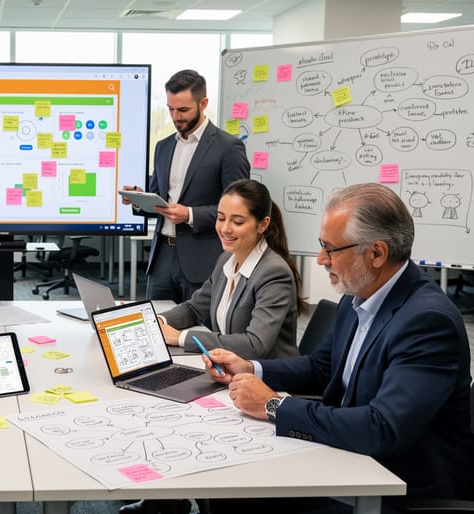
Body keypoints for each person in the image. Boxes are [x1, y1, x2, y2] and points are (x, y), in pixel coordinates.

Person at [203, 183, 474, 513]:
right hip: (347, 460)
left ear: (377, 253)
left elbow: (384, 428)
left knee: (241, 499)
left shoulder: (428, 321)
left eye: (330, 250)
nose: (320, 260)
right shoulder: (357, 296)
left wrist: (274, 405)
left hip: (396, 487)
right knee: (229, 485)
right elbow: (322, 367)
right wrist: (251, 367)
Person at [121, 69, 249, 302]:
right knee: (156, 327)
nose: (176, 116)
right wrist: (140, 200)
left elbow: (240, 211)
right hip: (161, 258)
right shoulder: (163, 146)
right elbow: (159, 197)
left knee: (197, 331)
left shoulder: (229, 147)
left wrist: (189, 214)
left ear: (204, 103)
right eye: (171, 109)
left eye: (183, 110)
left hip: (203, 259)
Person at [157, 178, 304, 360]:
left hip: (269, 380)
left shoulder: (274, 273)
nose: (225, 229)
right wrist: (157, 322)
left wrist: (181, 337)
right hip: (231, 369)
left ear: (263, 224)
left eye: (237, 222)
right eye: (220, 218)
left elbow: (254, 344)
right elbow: (194, 309)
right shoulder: (227, 259)